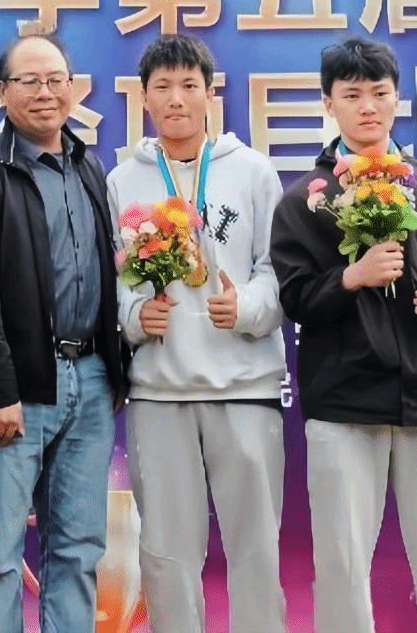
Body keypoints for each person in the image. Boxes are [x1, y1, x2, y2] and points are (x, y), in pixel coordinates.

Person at [269, 37, 417, 633]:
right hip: (344, 404)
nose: (367, 106)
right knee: (341, 566)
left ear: (397, 100)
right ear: (328, 104)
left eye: (379, 93)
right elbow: (294, 298)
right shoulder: (306, 200)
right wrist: (351, 277)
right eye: (351, 95)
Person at [107, 33, 288, 633]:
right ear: (144, 98)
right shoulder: (122, 181)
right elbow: (110, 278)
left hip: (245, 385)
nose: (177, 99)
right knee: (166, 556)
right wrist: (135, 316)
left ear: (211, 94)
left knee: (256, 549)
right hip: (159, 391)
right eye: (163, 87)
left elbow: (277, 269)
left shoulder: (254, 172)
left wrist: (249, 305)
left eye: (190, 85)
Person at [0, 31, 127, 633]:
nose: (45, 92)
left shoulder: (89, 165)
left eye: (56, 80)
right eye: (29, 81)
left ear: (73, 89)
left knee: (78, 548)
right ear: (2, 93)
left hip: (92, 379)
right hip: (19, 388)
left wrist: (115, 370)